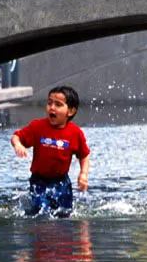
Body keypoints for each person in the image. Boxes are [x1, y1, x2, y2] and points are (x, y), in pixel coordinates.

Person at [11, 86, 90, 217]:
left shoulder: (75, 133)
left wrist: (83, 174)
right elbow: (16, 136)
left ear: (70, 111)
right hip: (39, 181)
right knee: (41, 213)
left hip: (62, 182)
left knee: (64, 214)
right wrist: (18, 144)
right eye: (49, 103)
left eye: (58, 105)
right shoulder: (37, 126)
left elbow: (84, 155)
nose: (52, 108)